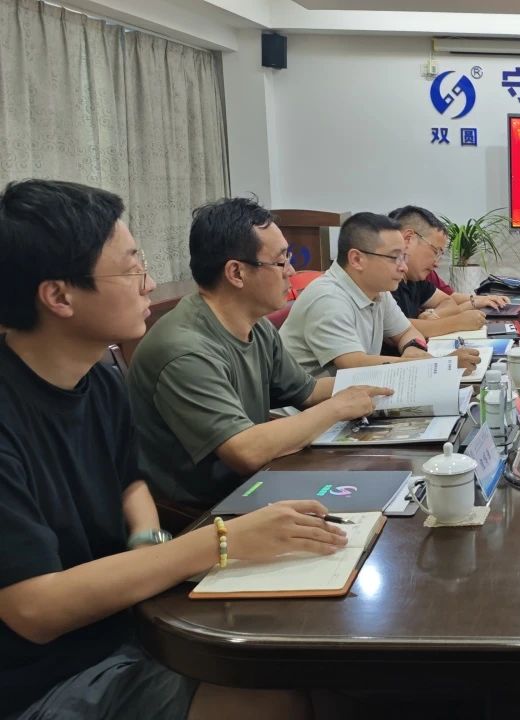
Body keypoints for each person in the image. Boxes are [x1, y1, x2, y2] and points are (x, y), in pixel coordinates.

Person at [0, 179, 346, 719]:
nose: (151, 283)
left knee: (318, 658)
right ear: (60, 296)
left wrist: (149, 544)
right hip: (48, 679)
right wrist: (220, 543)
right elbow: (34, 609)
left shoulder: (100, 378)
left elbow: (129, 481)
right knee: (279, 695)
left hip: (129, 622)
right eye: (132, 269)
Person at [128, 198, 393, 509]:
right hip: (202, 510)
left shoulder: (256, 325)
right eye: (280, 262)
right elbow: (245, 451)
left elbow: (307, 392)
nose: (291, 271)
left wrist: (385, 384)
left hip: (255, 481)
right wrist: (337, 407)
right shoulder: (185, 350)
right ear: (236, 273)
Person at [281, 212, 437, 377]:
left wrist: (413, 349)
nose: (404, 267)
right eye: (394, 257)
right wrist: (423, 365)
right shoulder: (328, 298)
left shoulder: (378, 291)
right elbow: (354, 365)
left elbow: (407, 332)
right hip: (313, 394)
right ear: (356, 259)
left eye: (403, 257)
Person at [387, 205, 509, 319]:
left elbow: (449, 301)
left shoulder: (417, 280)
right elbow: (402, 329)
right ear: (408, 239)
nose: (436, 263)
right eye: (436, 252)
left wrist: (433, 317)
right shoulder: (386, 283)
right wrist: (460, 319)